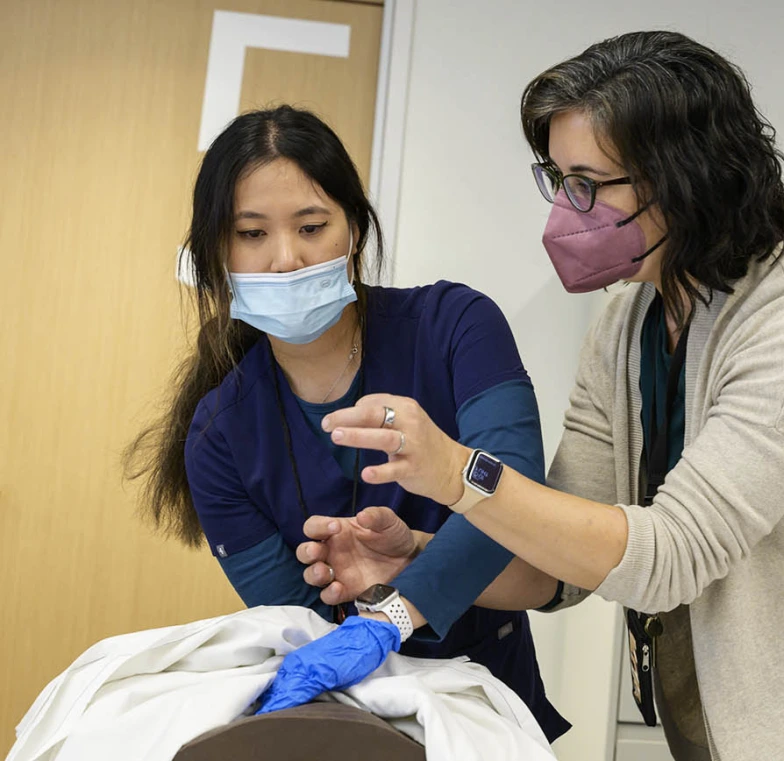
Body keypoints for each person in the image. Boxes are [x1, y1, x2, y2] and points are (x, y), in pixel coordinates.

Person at [282, 31, 784, 760]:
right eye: (557, 179)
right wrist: (420, 555)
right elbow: (558, 559)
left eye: (588, 184)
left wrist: (458, 473)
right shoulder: (630, 321)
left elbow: (672, 554)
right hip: (744, 720)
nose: (565, 212)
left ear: (685, 177)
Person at [125, 105, 569, 741]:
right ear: (213, 252)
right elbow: (301, 629)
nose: (285, 259)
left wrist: (391, 604)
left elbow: (513, 491)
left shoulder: (455, 328)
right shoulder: (218, 435)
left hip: (490, 709)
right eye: (251, 234)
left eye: (311, 226)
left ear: (354, 231)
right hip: (344, 725)